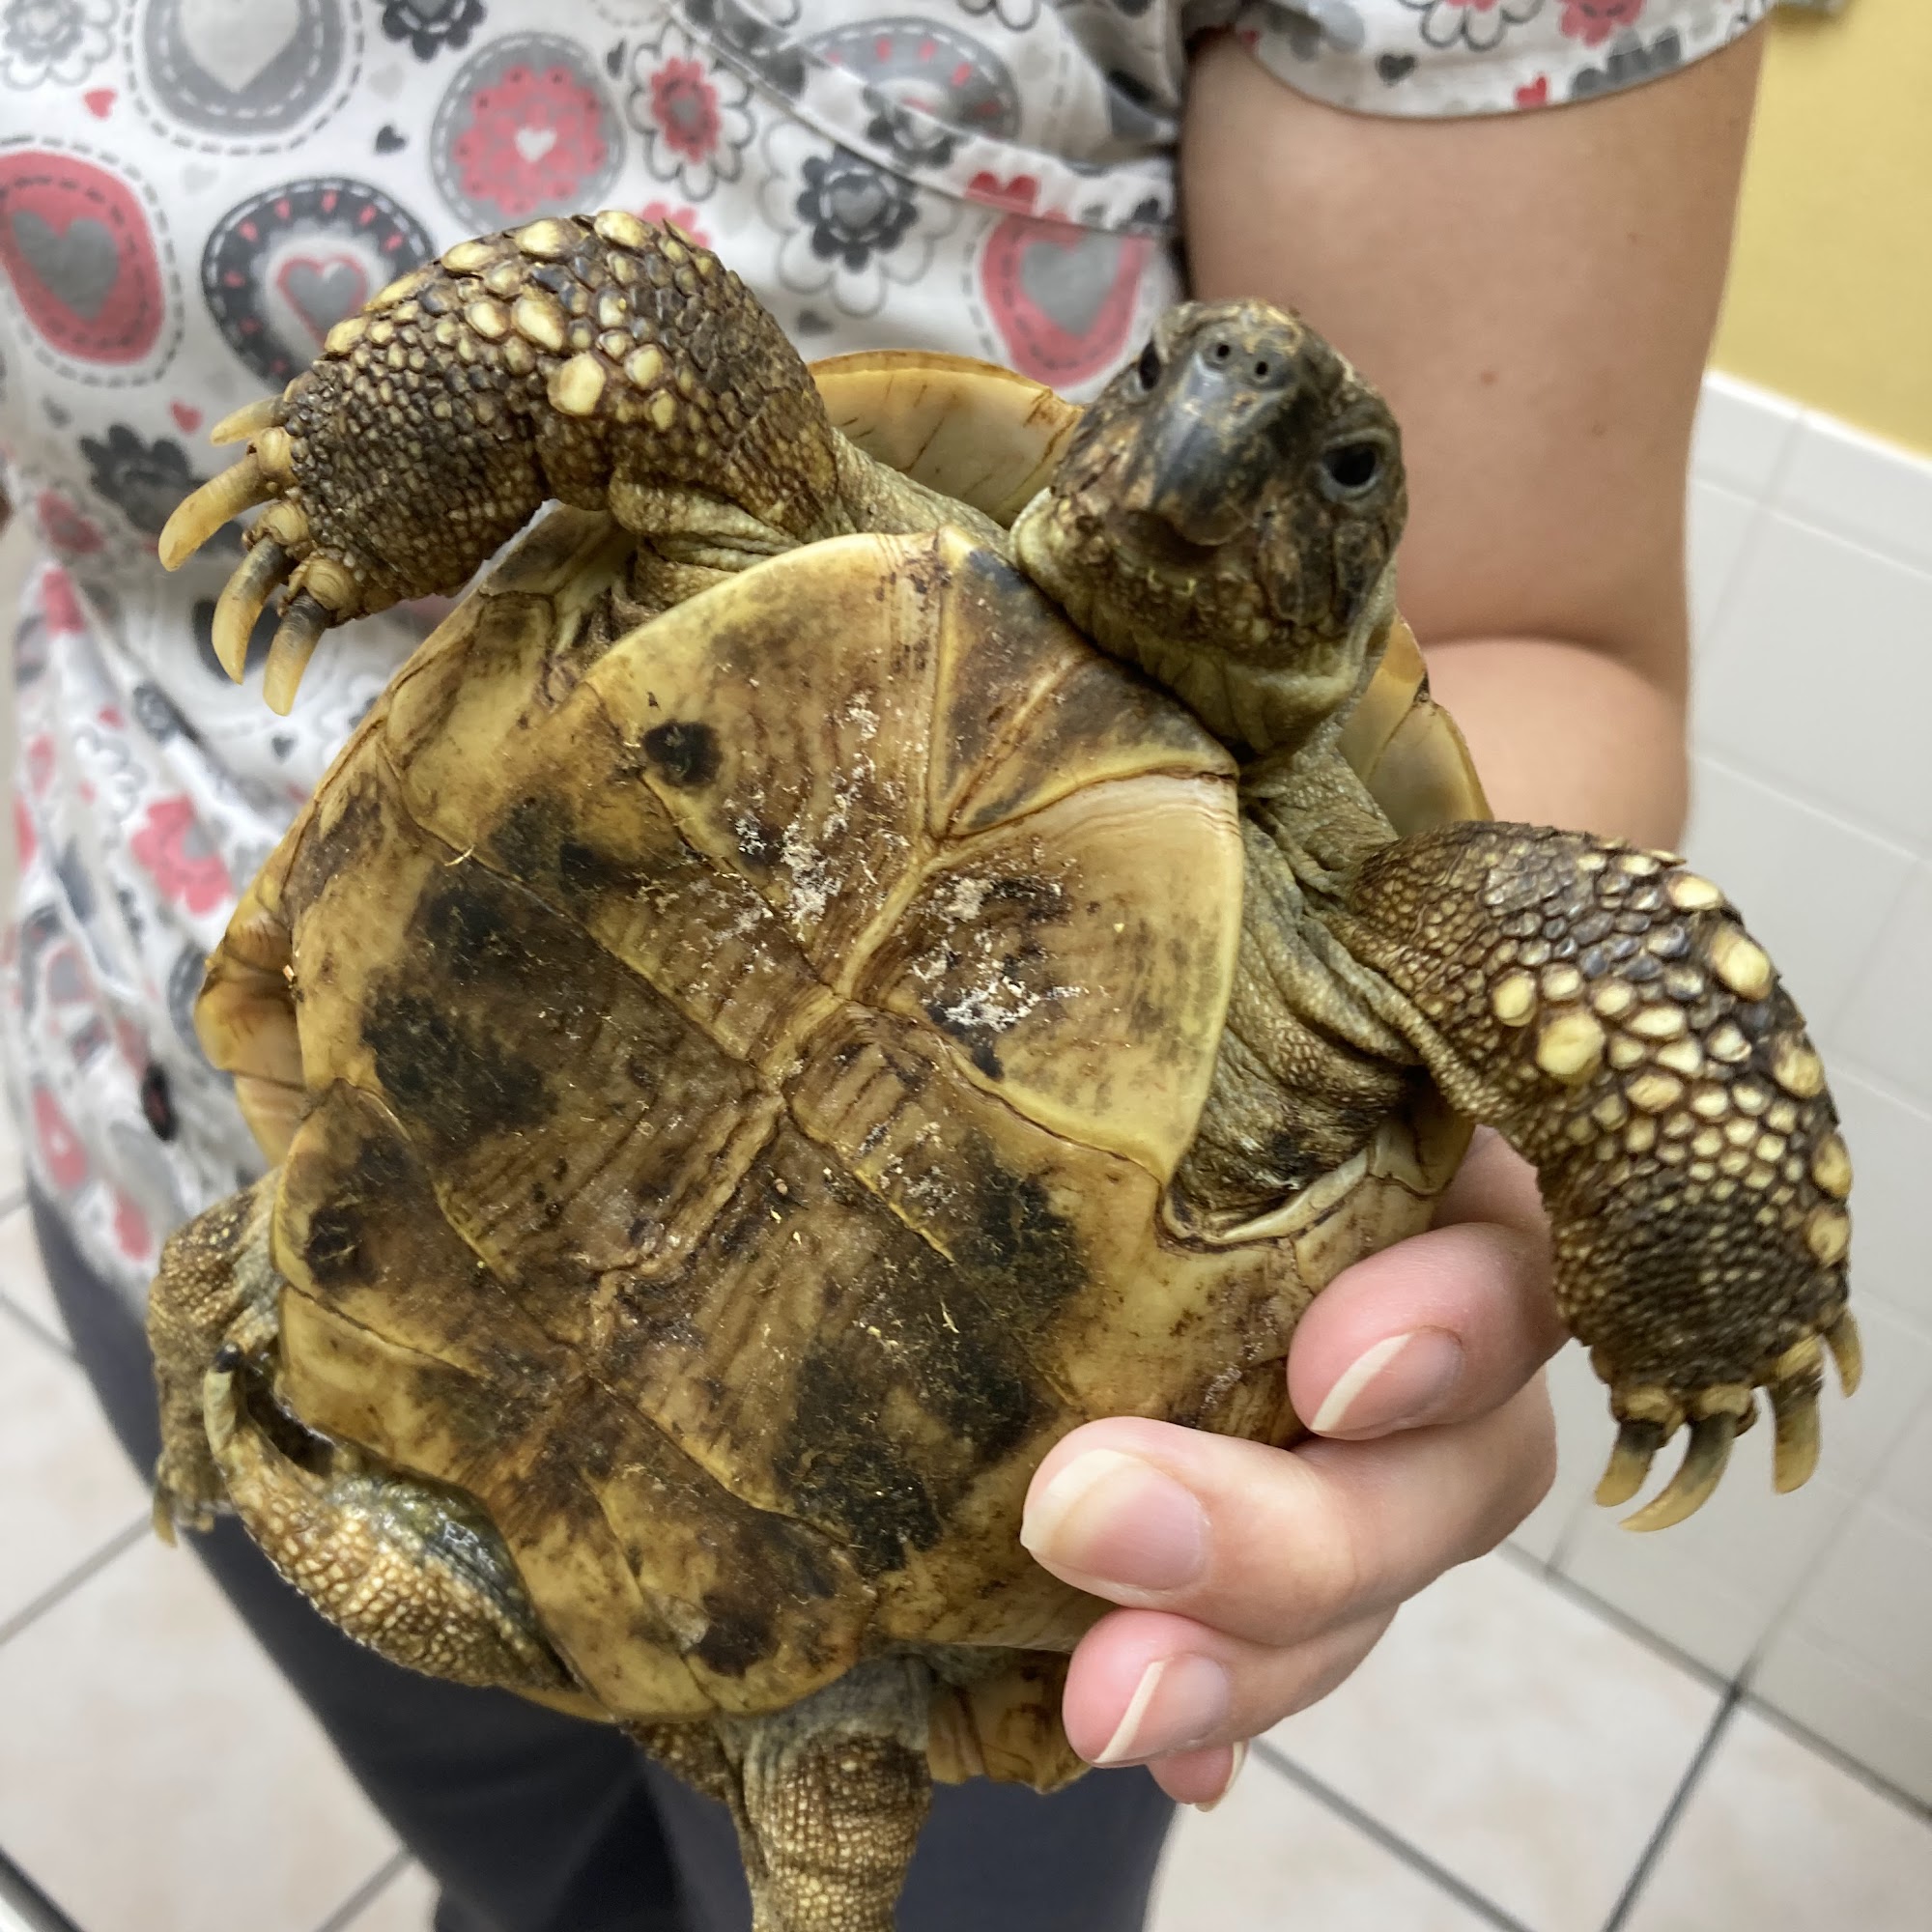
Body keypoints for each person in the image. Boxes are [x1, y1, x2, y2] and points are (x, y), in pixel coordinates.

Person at [0, 0, 1773, 1924]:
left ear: (1358, 568)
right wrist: (352, 475)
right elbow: (612, 331)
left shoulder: (1367, 910)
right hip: (247, 1165)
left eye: (1333, 467)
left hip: (870, 1601)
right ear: (1118, 402)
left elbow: (1564, 728)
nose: (1227, 426)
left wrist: (1667, 1284)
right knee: (521, 1869)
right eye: (1184, 374)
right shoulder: (791, 499)